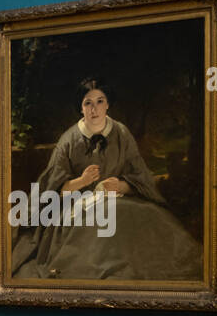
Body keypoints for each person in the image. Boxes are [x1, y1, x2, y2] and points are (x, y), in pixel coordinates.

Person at [12, 77, 201, 280]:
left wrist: (122, 185)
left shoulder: (121, 133)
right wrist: (81, 182)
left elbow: (141, 176)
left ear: (108, 104)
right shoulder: (69, 140)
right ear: (81, 108)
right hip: (76, 206)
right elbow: (51, 189)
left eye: (100, 101)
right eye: (88, 103)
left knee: (144, 214)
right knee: (104, 220)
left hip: (119, 200)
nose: (94, 109)